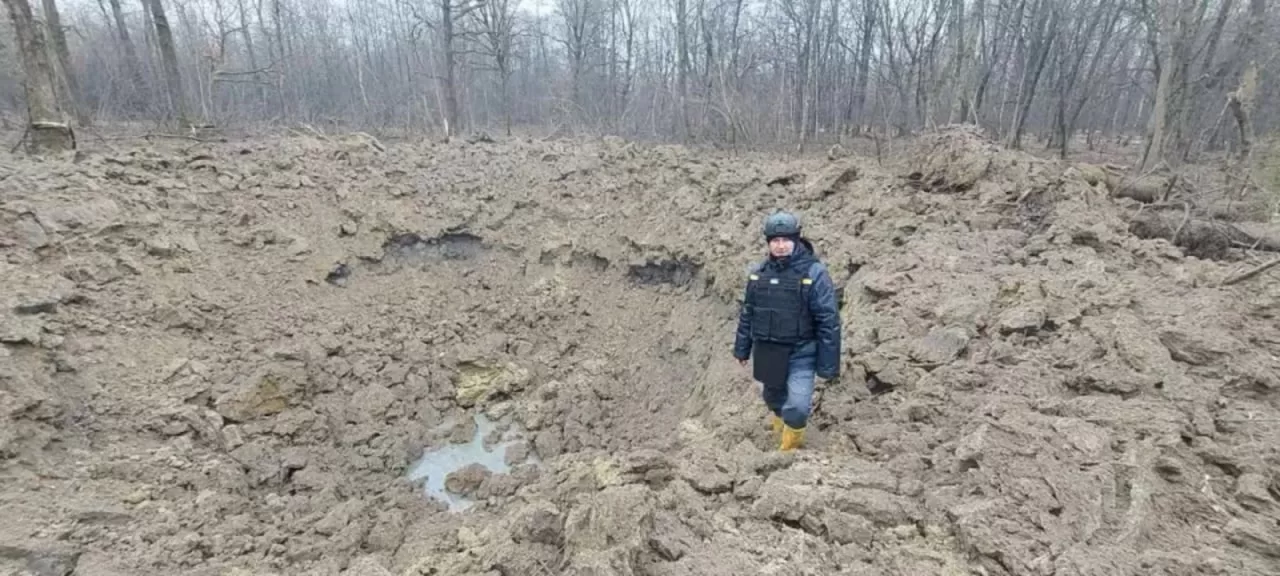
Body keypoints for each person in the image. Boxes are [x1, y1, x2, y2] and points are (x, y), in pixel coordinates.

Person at [733, 210, 842, 451]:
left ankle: (788, 451)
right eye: (775, 240)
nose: (781, 246)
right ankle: (779, 432)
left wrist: (828, 365)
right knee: (773, 399)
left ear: (796, 240)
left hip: (802, 352)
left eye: (786, 240)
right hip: (769, 350)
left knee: (798, 408)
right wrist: (742, 349)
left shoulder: (814, 273)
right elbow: (749, 312)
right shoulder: (759, 274)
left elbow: (828, 321)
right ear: (768, 242)